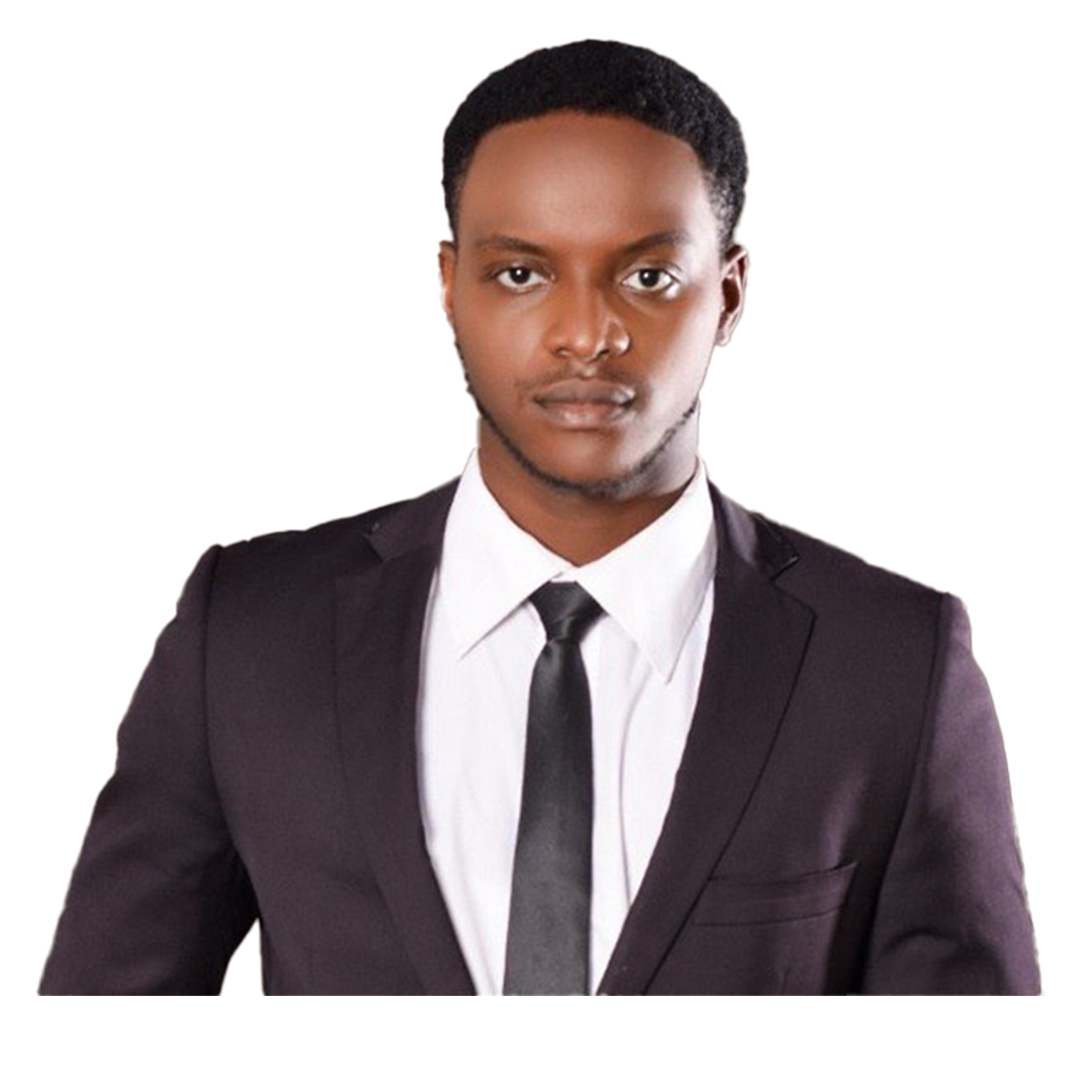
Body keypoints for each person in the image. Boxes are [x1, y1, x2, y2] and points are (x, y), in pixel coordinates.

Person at [37, 38, 1040, 996]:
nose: (585, 335)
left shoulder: (892, 663)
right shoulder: (249, 634)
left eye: (648, 276)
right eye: (522, 273)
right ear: (450, 287)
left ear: (729, 297)